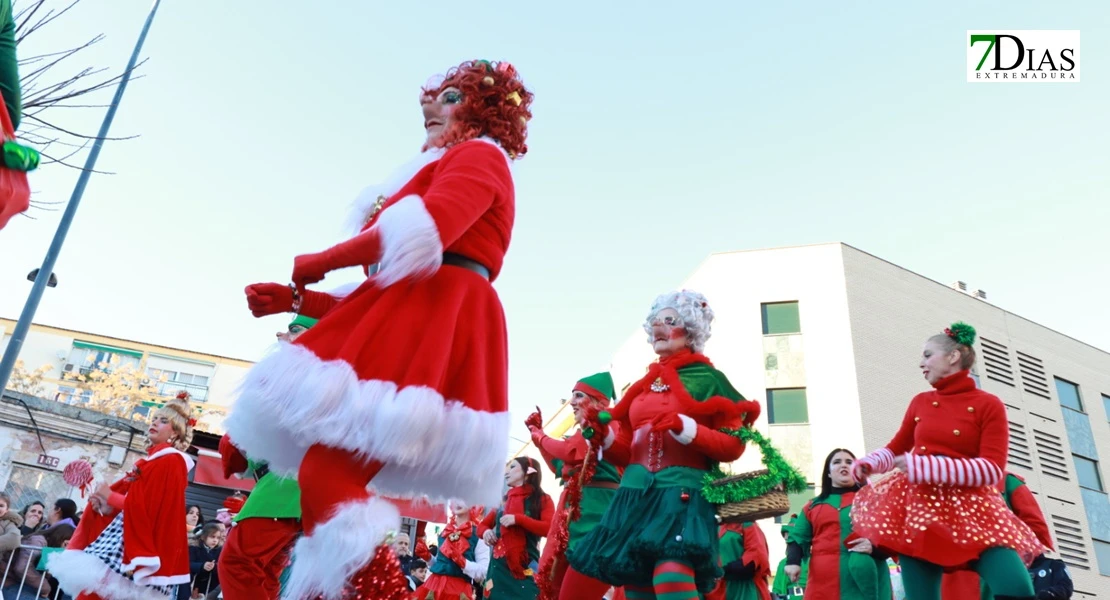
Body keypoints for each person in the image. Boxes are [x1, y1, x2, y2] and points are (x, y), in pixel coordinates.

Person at [223, 58, 533, 600]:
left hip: (437, 314)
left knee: (326, 477)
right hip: (415, 311)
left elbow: (425, 230)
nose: (429, 107)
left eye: (451, 97)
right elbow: (373, 291)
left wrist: (325, 258)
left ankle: (381, 593)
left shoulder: (480, 155)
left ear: (486, 111)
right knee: (323, 476)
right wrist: (296, 299)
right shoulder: (452, 161)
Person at [560, 290, 761, 600]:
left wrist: (689, 430)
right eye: (655, 321)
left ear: (691, 329)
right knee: (639, 585)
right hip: (634, 495)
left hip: (679, 495)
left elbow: (734, 446)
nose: (658, 327)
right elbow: (627, 451)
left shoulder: (709, 379)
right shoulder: (643, 385)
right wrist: (604, 436)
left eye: (670, 321)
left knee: (671, 577)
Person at [850, 323, 1044, 600]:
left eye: (928, 355)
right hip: (921, 510)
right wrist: (871, 462)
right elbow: (897, 448)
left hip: (975, 510)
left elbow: (991, 469)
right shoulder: (921, 401)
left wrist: (924, 467)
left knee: (1017, 589)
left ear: (953, 357)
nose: (921, 363)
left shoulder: (988, 404)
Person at [48, 392, 195, 599]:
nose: (154, 423)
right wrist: (106, 506)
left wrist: (110, 496)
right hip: (123, 541)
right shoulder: (153, 460)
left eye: (163, 421)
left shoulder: (172, 461)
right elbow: (135, 506)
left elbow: (152, 510)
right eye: (154, 419)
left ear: (176, 433)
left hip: (137, 545)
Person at [218, 315, 315, 600]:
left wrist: (239, 437)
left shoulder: (306, 379)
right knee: (266, 574)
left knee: (238, 563)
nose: (280, 336)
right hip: (289, 492)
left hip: (284, 490)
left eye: (294, 330)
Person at [527, 372, 622, 599]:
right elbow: (561, 465)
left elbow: (569, 451)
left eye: (579, 395)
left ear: (598, 400)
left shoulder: (605, 420)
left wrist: (540, 436)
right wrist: (538, 440)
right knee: (560, 578)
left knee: (584, 576)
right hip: (577, 509)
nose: (572, 402)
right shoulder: (584, 432)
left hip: (595, 508)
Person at [785, 449, 892, 600]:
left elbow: (892, 537)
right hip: (822, 584)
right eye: (837, 462)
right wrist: (793, 562)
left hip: (865, 580)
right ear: (828, 473)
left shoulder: (874, 501)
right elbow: (797, 537)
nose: (844, 465)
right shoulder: (812, 506)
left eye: (849, 462)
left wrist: (874, 549)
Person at [942, 471, 1058, 600]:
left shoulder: (928, 481)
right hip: (995, 571)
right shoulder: (1006, 481)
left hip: (946, 576)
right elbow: (1037, 529)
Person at [480, 456, 554, 599]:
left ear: (528, 471)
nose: (506, 472)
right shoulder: (503, 502)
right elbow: (482, 526)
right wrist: (486, 532)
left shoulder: (542, 499)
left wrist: (519, 519)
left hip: (526, 567)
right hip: (497, 569)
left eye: (512, 467)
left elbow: (549, 529)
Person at [414, 500, 490, 600]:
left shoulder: (479, 536)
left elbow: (484, 572)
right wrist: (428, 557)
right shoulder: (445, 531)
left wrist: (463, 563)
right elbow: (441, 564)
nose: (458, 503)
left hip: (458, 592)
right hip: (433, 588)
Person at [1, 523, 75, 599]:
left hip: (20, 583)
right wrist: (45, 587)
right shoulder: (38, 541)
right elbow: (22, 568)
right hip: (8, 582)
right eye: (67, 545)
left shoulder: (49, 547)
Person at [707, 521, 771, 600]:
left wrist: (722, 571)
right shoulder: (714, 527)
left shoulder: (748, 525)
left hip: (745, 591)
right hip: (719, 591)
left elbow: (752, 561)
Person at [771, 516, 807, 600]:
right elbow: (776, 589)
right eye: (786, 536)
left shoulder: (812, 561)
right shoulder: (783, 563)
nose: (787, 539)